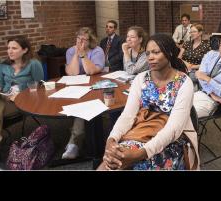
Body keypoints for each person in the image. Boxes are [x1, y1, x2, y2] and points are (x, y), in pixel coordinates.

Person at [98, 33, 199, 170]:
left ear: (169, 52)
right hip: (140, 133)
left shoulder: (183, 82)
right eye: (148, 53)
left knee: (131, 163)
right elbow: (128, 115)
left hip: (170, 139)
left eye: (156, 52)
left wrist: (141, 153)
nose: (150, 57)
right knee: (110, 163)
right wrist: (112, 140)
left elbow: (173, 128)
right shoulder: (141, 78)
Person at [62, 27, 105, 159]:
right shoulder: (70, 51)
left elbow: (91, 71)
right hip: (76, 87)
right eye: (78, 38)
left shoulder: (97, 51)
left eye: (83, 39)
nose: (80, 41)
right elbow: (73, 73)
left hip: (95, 87)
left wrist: (82, 55)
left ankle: (74, 143)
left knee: (83, 107)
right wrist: (76, 54)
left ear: (90, 41)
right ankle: (76, 139)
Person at [0, 36, 44, 145]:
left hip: (22, 100)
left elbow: (40, 86)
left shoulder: (33, 64)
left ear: (25, 50)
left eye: (14, 48)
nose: (10, 51)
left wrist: (20, 96)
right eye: (8, 48)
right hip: (4, 97)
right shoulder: (3, 65)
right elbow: (0, 85)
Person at [178, 23, 211, 90]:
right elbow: (179, 58)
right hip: (185, 69)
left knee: (192, 78)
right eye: (191, 32)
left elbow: (208, 63)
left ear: (200, 33)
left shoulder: (206, 46)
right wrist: (187, 65)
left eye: (194, 32)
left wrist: (193, 66)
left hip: (198, 70)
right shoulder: (187, 44)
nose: (192, 33)